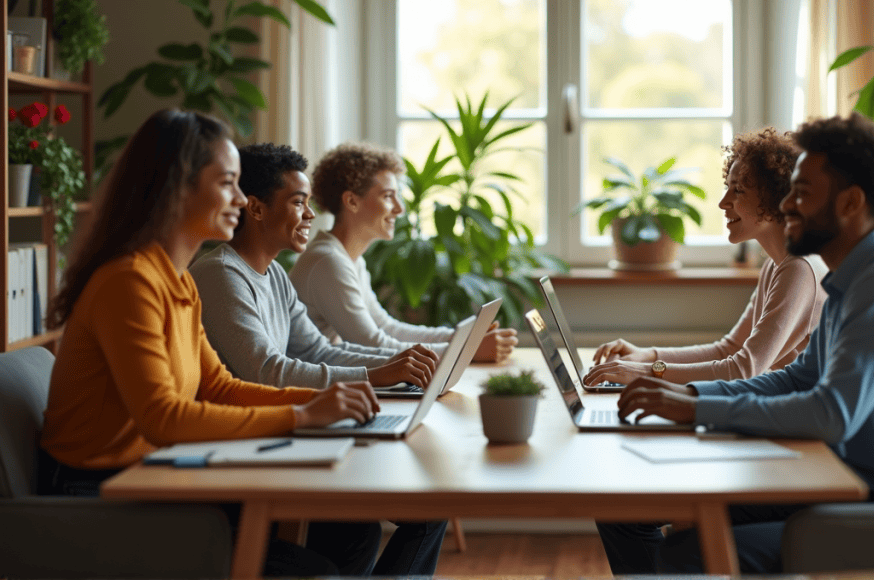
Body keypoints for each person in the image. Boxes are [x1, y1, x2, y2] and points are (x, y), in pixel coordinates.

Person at [39, 110, 445, 576]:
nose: (239, 197)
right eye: (228, 183)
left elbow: (221, 388)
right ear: (178, 187)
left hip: (154, 473)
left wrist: (320, 403)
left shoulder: (178, 283)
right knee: (322, 569)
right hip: (98, 492)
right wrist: (303, 415)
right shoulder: (130, 283)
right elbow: (164, 417)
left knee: (353, 529)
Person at [597, 113, 874, 574]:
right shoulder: (853, 281)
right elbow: (797, 377)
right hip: (853, 479)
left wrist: (696, 408)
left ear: (851, 203)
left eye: (801, 195)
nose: (787, 206)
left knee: (685, 553)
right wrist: (690, 394)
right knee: (639, 514)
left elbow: (830, 413)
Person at [584, 128, 828, 387]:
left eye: (738, 190)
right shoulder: (777, 266)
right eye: (727, 188)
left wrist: (646, 372)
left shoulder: (800, 268)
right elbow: (728, 349)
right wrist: (648, 356)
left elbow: (743, 369)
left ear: (776, 197)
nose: (724, 202)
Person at [189, 142, 440, 393]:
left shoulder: (275, 274)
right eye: (298, 203)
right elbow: (266, 371)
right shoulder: (221, 274)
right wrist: (375, 375)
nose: (310, 214)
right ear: (255, 208)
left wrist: (399, 363)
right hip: (241, 426)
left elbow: (317, 351)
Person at [288, 141, 517, 362]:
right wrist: (466, 351)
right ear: (351, 201)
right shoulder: (328, 261)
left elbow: (386, 327)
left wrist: (465, 338)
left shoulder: (347, 259)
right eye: (388, 196)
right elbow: (370, 345)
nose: (399, 209)